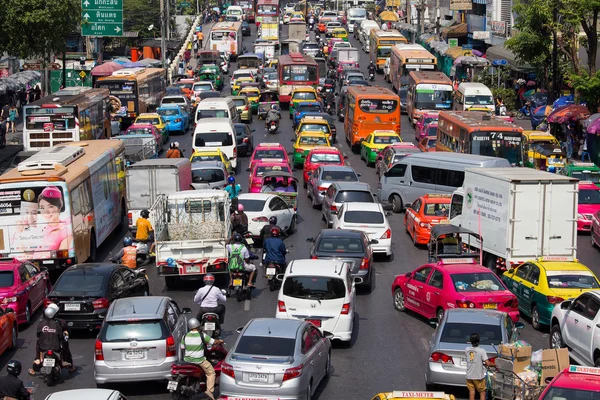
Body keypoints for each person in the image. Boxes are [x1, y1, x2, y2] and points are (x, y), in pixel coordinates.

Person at [181, 318, 224, 400]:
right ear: (198, 326)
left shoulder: (185, 336)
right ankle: (209, 391)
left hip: (187, 360)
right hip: (199, 360)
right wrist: (220, 341)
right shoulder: (202, 335)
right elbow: (213, 342)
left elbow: (182, 347)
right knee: (211, 372)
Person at [29, 304, 69, 375]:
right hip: (56, 348)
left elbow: (38, 335)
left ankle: (37, 358)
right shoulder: (57, 324)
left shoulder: (41, 323)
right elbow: (61, 336)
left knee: (38, 341)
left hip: (43, 348)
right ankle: (63, 360)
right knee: (64, 343)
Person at [465, 333, 493, 400]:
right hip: (478, 377)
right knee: (482, 392)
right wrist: (496, 364)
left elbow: (473, 359)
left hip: (469, 376)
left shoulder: (467, 350)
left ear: (470, 341)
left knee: (472, 392)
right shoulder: (481, 351)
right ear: (479, 341)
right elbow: (488, 363)